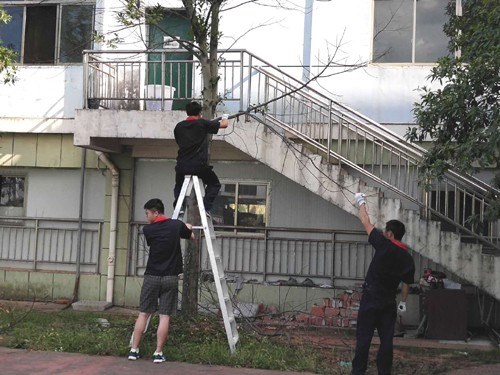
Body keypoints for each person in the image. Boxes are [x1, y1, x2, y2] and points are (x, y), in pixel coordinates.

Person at [351, 193, 415, 375]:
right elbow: (406, 283)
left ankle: (358, 372)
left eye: (386, 231)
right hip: (389, 302)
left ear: (390, 234)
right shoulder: (407, 258)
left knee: (364, 339)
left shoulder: (383, 245)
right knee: (387, 341)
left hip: (371, 298)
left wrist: (361, 201)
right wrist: (403, 302)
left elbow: (365, 222)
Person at [128, 198, 194, 363]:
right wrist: (187, 228)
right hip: (170, 277)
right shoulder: (176, 225)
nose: (146, 217)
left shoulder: (148, 230)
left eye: (147, 213)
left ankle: (134, 350)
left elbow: (154, 241)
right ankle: (158, 353)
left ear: (156, 212)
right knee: (165, 316)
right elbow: (191, 236)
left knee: (143, 313)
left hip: (152, 276)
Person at [173, 101, 229, 214]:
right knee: (214, 184)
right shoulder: (202, 124)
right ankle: (205, 207)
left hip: (182, 165)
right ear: (199, 113)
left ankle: (179, 207)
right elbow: (224, 124)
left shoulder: (178, 127)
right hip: (198, 166)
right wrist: (225, 117)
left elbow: (179, 141)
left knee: (179, 185)